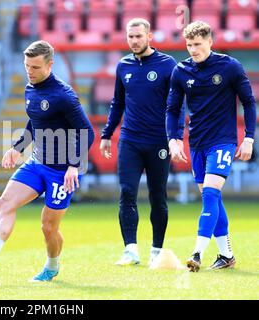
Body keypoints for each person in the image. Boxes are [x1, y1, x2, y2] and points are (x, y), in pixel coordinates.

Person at [0, 40, 95, 281]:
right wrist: (18, 148)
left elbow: (87, 131)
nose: (30, 71)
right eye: (27, 66)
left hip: (63, 171)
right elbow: (35, 121)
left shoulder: (64, 95)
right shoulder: (30, 87)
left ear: (50, 64)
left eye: (36, 67)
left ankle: (52, 266)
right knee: (4, 203)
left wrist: (74, 165)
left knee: (48, 227)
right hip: (37, 162)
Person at [166, 21, 256, 272]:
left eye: (197, 44)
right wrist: (173, 139)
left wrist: (249, 137)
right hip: (197, 143)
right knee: (211, 199)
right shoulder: (181, 71)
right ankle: (227, 256)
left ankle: (197, 252)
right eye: (189, 45)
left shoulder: (230, 66)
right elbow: (173, 109)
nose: (193, 49)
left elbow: (248, 102)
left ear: (210, 42)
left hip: (223, 141)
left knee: (211, 195)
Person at [99, 18, 184, 266]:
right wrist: (106, 134)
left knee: (158, 195)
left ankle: (156, 250)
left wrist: (175, 138)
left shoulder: (168, 65)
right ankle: (130, 250)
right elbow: (117, 103)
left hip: (159, 141)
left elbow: (178, 106)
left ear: (149, 37)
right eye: (130, 36)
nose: (134, 41)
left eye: (138, 36)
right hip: (130, 140)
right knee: (127, 192)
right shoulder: (123, 66)